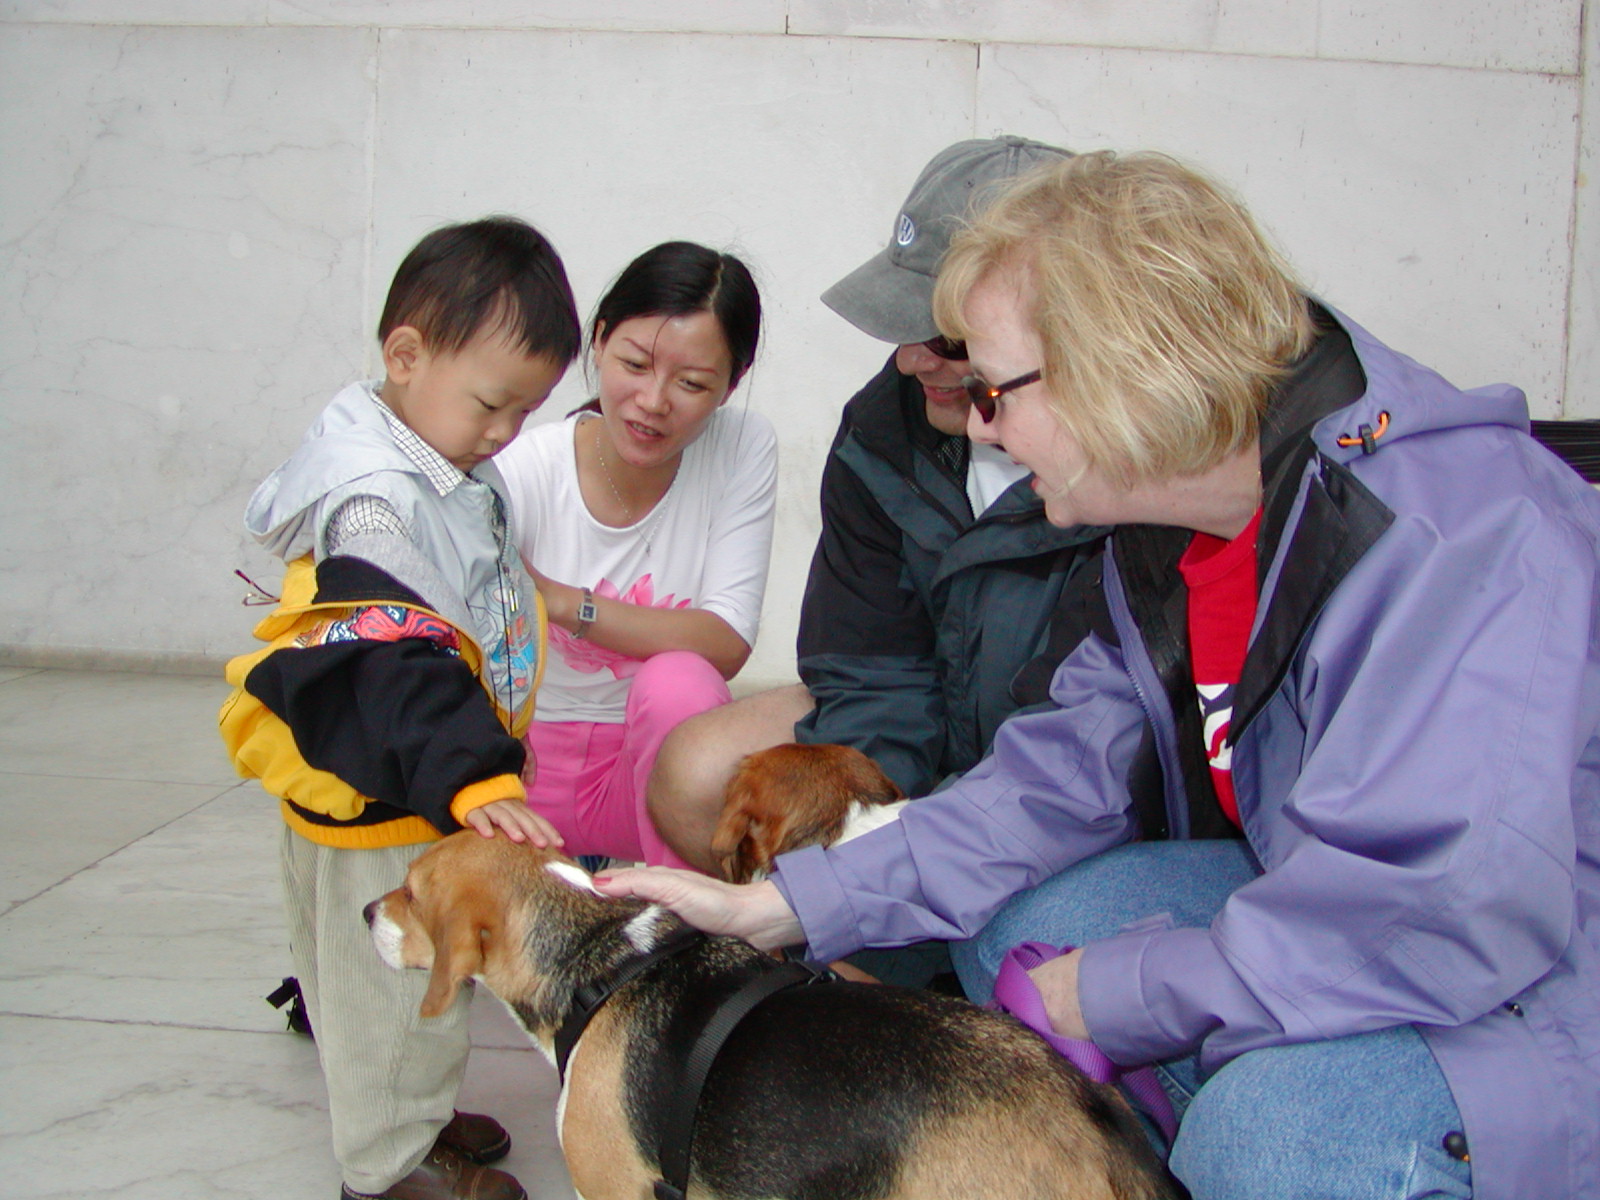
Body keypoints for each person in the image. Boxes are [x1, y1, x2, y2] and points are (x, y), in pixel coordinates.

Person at [598, 152, 1600, 1199]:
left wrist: (1122, 995)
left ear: (1120, 367)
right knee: (1028, 925)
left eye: (993, 391)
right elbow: (1049, 782)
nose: (976, 423)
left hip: (1534, 994)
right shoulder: (1169, 532)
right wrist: (785, 907)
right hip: (1363, 916)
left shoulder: (1457, 536)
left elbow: (1436, 910)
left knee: (1269, 1138)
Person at [219, 216, 578, 1200]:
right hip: (387, 786)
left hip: (382, 770)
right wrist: (474, 772)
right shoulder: (376, 500)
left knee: (360, 977)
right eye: (492, 405)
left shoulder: (424, 449)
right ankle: (386, 1168)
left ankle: (407, 1111)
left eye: (525, 412)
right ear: (407, 355)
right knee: (390, 981)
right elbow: (394, 663)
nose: (504, 434)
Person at [647, 137, 1105, 888]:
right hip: (937, 730)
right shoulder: (884, 427)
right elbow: (869, 670)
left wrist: (925, 846)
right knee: (696, 774)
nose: (910, 360)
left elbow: (1094, 756)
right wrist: (864, 821)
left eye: (949, 337)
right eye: (900, 325)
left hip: (1065, 778)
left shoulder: (1130, 470)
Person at [494, 241, 774, 869]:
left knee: (681, 681)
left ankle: (685, 916)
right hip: (521, 776)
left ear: (731, 385)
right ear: (598, 341)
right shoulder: (523, 469)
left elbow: (726, 641)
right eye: (635, 364)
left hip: (651, 778)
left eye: (692, 383)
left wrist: (561, 601)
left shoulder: (740, 448)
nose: (654, 400)